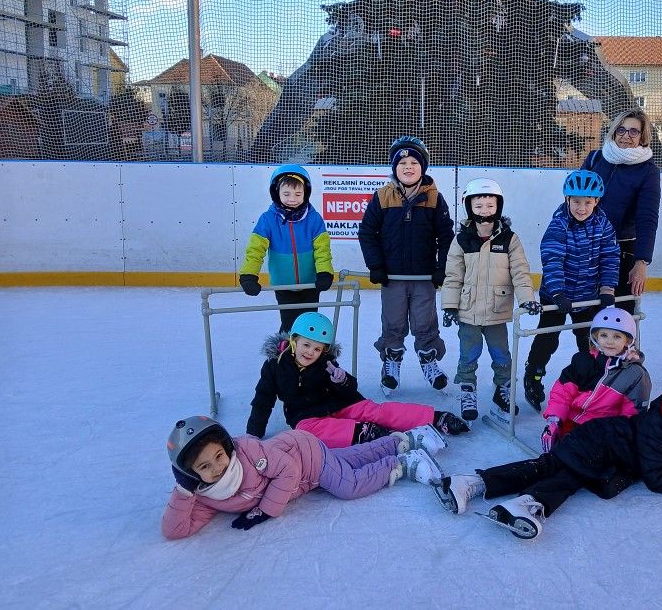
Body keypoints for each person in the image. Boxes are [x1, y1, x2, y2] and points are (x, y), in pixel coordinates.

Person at [434, 371, 662, 540]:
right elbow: (656, 477)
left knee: (553, 469)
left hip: (606, 451)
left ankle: (475, 484)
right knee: (564, 474)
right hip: (598, 442)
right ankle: (521, 500)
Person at [162, 414, 443, 539]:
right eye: (204, 467)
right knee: (352, 459)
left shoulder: (247, 452)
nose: (216, 468)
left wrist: (265, 510)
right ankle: (404, 441)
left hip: (304, 454)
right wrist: (184, 492)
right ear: (190, 474)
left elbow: (288, 470)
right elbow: (175, 530)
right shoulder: (207, 495)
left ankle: (404, 463)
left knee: (348, 484)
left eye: (218, 456)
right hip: (306, 471)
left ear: (226, 447)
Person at [247, 312, 469, 449]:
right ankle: (363, 432)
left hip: (341, 403)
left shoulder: (325, 362)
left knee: (378, 412)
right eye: (306, 345)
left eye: (317, 348)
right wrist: (254, 433)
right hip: (306, 416)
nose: (310, 352)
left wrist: (341, 380)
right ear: (294, 340)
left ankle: (435, 417)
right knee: (306, 435)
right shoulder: (274, 366)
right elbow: (262, 400)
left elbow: (350, 389)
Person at [441, 178, 543, 424]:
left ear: (498, 206)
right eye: (478, 206)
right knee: (469, 354)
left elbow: (520, 271)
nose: (484, 211)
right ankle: (468, 390)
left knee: (501, 355)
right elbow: (453, 276)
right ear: (469, 207)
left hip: (497, 311)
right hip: (468, 312)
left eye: (490, 205)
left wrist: (527, 299)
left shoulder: (509, 239)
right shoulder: (461, 240)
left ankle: (503, 390)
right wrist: (449, 306)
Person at [358, 136, 455, 395]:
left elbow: (446, 235)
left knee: (425, 322)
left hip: (424, 277)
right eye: (402, 163)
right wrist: (376, 265)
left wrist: (441, 267)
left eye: (414, 162)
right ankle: (391, 363)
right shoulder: (382, 197)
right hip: (392, 277)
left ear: (423, 167)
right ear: (394, 168)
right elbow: (367, 232)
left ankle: (429, 360)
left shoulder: (434, 198)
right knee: (393, 322)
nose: (408, 167)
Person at [522, 169, 620, 411]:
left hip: (587, 296)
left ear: (597, 201)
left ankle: (591, 379)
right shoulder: (559, 224)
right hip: (556, 296)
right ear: (567, 199)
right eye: (576, 202)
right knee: (547, 338)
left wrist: (607, 288)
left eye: (588, 202)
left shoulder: (603, 225)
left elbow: (610, 256)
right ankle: (533, 374)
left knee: (588, 341)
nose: (582, 208)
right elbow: (552, 258)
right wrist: (557, 292)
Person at [540, 307, 651, 453]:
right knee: (560, 450)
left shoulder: (635, 375)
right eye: (604, 335)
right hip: (572, 419)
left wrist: (619, 438)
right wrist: (554, 419)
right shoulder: (582, 361)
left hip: (603, 427)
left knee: (580, 455)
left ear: (628, 340)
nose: (609, 341)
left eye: (617, 336)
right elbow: (562, 393)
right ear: (595, 337)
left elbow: (632, 413)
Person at [239, 165, 334, 334]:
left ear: (306, 193)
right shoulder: (268, 219)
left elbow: (322, 250)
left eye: (298, 194)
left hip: (310, 284)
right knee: (290, 325)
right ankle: (284, 349)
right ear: (277, 193)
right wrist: (249, 275)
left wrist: (324, 272)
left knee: (309, 324)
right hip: (284, 285)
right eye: (286, 194)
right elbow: (255, 250)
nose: (292, 199)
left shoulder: (313, 219)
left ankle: (308, 350)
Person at [581, 109, 661, 309]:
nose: (626, 135)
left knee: (623, 318)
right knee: (586, 315)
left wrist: (641, 262)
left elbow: (647, 218)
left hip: (622, 251)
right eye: (621, 129)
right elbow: (575, 201)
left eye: (634, 131)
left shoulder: (648, 171)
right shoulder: (595, 158)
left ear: (642, 137)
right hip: (587, 246)